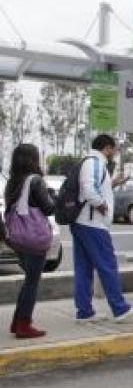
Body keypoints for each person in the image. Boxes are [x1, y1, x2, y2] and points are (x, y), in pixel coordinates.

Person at [72, 134, 133, 323]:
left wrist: (112, 184)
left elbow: (94, 187)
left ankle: (84, 312)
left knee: (84, 268)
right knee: (107, 265)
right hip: (93, 224)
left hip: (83, 223)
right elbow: (88, 189)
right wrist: (102, 206)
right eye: (115, 148)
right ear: (107, 148)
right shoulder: (94, 162)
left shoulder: (91, 162)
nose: (115, 152)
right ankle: (120, 308)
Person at [5, 144, 55, 339]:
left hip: (17, 238)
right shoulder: (35, 181)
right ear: (33, 159)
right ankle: (24, 325)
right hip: (33, 239)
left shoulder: (13, 182)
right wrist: (52, 195)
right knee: (32, 283)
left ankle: (17, 321)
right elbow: (49, 208)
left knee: (29, 281)